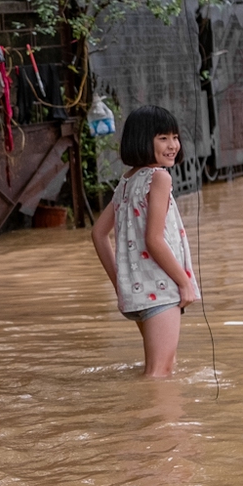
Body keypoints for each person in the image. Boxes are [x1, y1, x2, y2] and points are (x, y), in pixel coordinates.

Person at [90, 104, 199, 378]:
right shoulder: (159, 178)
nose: (173, 144)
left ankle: (150, 417)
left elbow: (98, 234)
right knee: (159, 373)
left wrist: (121, 283)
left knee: (155, 369)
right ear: (142, 140)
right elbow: (154, 239)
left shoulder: (127, 181)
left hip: (138, 295)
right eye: (163, 138)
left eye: (175, 137)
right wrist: (185, 283)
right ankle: (157, 421)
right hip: (160, 291)